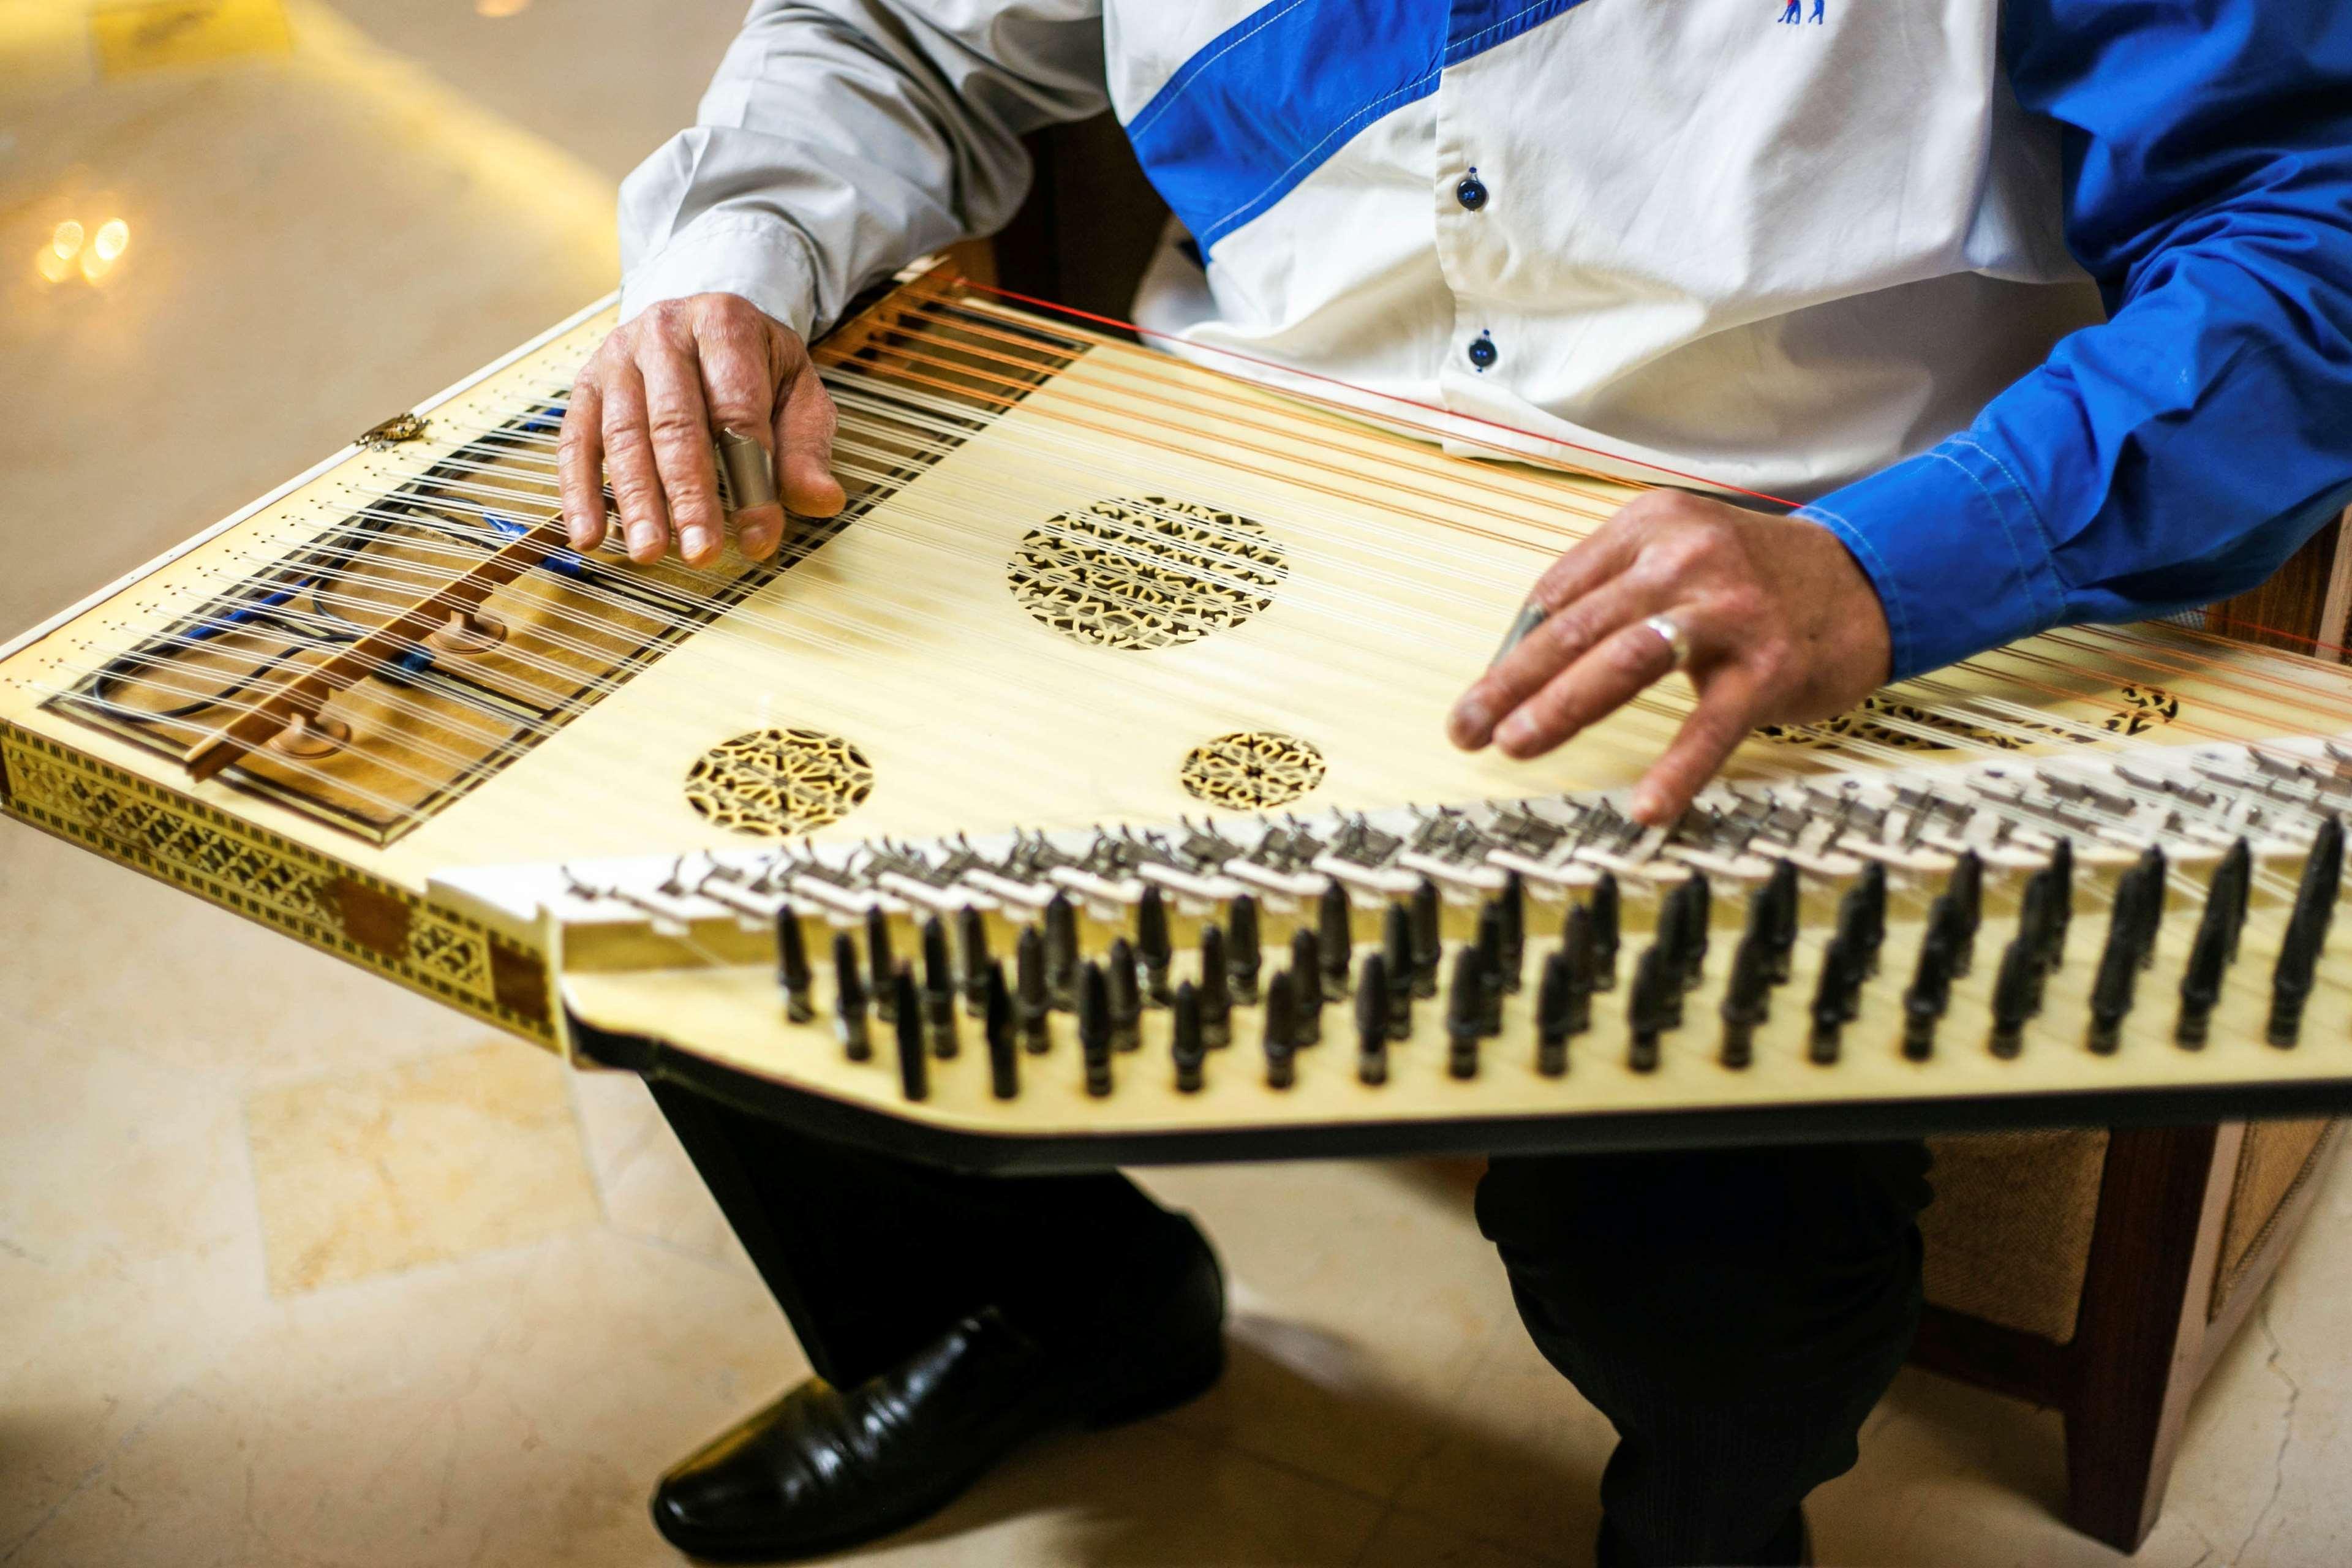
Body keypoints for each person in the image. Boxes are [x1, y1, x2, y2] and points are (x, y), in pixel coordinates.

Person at [557, 6, 2352, 1564]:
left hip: (1764, 557)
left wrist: (1892, 565)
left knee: (1726, 1281)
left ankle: (1710, 1525)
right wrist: (733, 260)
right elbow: (890, 30)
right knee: (684, 859)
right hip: (1231, 479)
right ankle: (1045, 1307)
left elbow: (2311, 227)